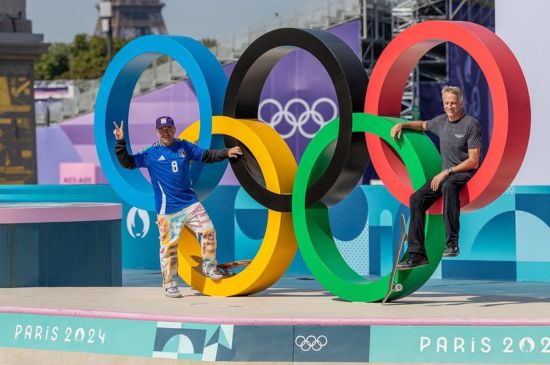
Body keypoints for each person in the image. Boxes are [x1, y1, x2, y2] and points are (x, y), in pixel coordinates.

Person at [113, 116, 242, 297]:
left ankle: (210, 268)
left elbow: (205, 155)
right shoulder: (150, 153)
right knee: (169, 248)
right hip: (168, 209)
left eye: (169, 128)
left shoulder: (184, 146)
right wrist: (120, 142)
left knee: (208, 230)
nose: (166, 132)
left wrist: (225, 152)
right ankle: (170, 284)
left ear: (174, 130)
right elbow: (127, 163)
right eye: (162, 129)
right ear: (156, 132)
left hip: (189, 202)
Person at [390, 86, 482, 269]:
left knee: (448, 185)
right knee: (416, 199)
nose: (450, 106)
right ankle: (417, 254)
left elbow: (474, 161)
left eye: (454, 103)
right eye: (447, 103)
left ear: (461, 103)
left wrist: (447, 172)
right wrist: (402, 124)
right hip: (445, 176)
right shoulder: (441, 122)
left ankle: (452, 243)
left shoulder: (471, 124)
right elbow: (423, 125)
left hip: (463, 173)